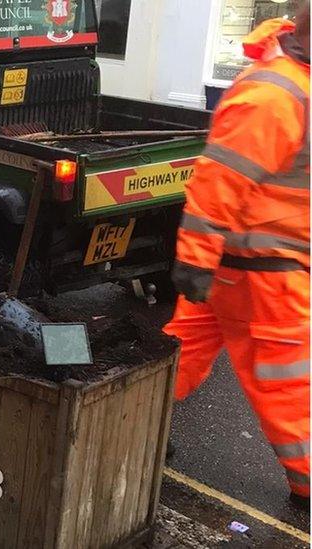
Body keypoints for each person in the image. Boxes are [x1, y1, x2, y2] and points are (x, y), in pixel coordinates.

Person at [164, 4, 310, 508]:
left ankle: (138, 430)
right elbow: (221, 180)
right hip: (261, 275)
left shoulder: (292, 85)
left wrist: (202, 259)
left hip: (240, 266)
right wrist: (196, 256)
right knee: (287, 378)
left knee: (179, 353)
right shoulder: (274, 96)